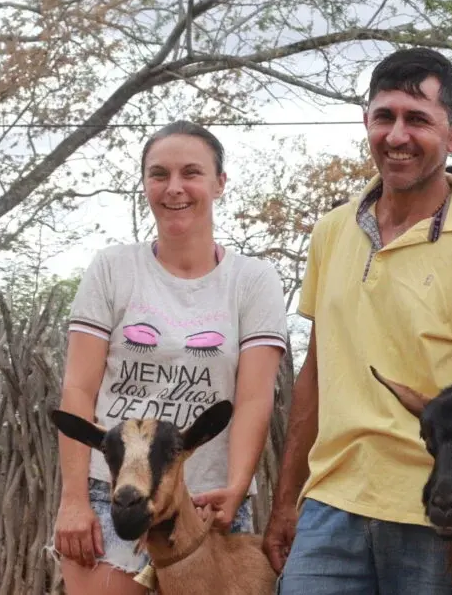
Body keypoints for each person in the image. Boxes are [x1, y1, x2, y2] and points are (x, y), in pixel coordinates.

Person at [261, 47, 452, 595]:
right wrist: (288, 500)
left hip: (436, 516)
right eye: (383, 116)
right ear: (366, 121)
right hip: (330, 506)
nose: (397, 134)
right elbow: (315, 373)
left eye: (418, 119)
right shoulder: (333, 232)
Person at [52, 121, 288, 595]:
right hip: (113, 493)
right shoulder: (113, 269)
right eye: (159, 174)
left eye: (191, 173)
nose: (174, 187)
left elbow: (254, 398)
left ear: (219, 183)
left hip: (206, 503)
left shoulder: (253, 280)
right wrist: (74, 500)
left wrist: (237, 487)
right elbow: (79, 388)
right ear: (144, 185)